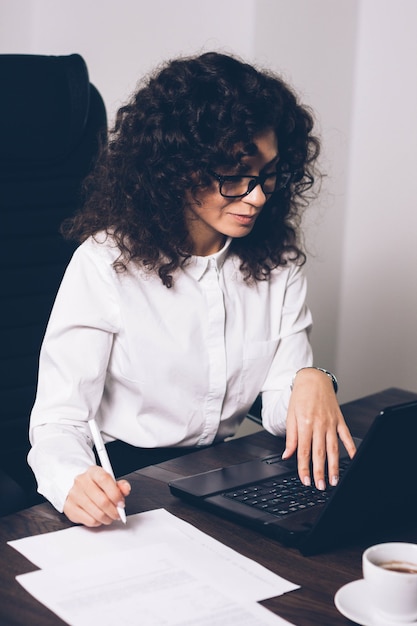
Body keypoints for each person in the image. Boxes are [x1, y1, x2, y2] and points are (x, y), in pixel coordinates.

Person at [28, 51, 356, 527]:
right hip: (127, 478)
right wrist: (72, 480)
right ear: (177, 168)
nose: (258, 195)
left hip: (223, 470)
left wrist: (310, 380)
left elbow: (283, 405)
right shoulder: (106, 262)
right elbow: (58, 422)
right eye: (234, 177)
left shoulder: (276, 261)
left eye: (266, 175)